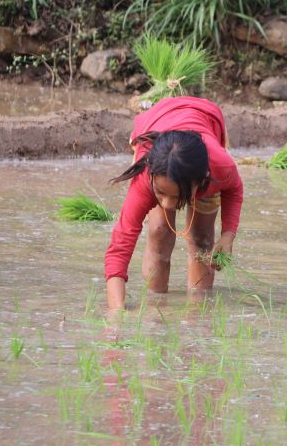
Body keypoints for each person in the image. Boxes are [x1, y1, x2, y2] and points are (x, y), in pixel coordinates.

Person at [104, 96, 244, 310]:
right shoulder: (147, 175)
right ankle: (155, 309)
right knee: (159, 232)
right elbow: (120, 246)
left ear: (203, 180)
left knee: (202, 239)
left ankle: (199, 315)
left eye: (178, 197)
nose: (169, 204)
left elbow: (234, 190)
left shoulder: (219, 167)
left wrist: (228, 236)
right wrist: (116, 314)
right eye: (161, 193)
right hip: (160, 129)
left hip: (204, 128)